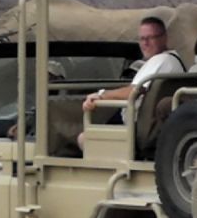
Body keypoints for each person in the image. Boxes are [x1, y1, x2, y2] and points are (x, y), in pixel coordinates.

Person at [78, 17, 185, 149]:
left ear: (164, 38)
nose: (145, 43)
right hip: (148, 126)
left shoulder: (161, 60)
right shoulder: (174, 60)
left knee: (83, 139)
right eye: (142, 39)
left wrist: (101, 95)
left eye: (151, 38)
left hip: (134, 129)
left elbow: (134, 91)